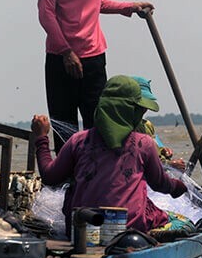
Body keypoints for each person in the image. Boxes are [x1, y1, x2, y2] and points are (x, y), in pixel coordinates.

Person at [37, 0, 153, 152]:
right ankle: (68, 181)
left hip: (94, 57)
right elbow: (46, 14)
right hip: (62, 58)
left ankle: (96, 178)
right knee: (64, 126)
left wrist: (130, 7)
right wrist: (67, 52)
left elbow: (97, 3)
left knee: (98, 123)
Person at [31, 75, 187, 237]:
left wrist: (41, 137)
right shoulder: (144, 144)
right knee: (183, 224)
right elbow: (160, 183)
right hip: (129, 229)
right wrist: (177, 187)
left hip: (82, 231)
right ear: (129, 111)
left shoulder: (78, 141)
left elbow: (49, 176)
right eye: (139, 109)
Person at [131, 75, 187, 171]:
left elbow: (157, 147)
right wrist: (170, 164)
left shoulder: (147, 125)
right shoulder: (126, 128)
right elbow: (141, 160)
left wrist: (164, 151)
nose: (144, 109)